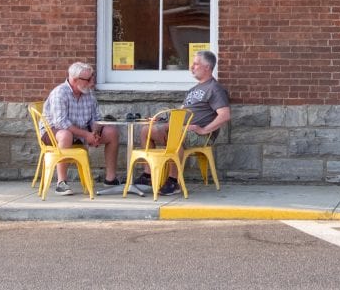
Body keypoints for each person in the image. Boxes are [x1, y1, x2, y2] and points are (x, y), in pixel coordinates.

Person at [136, 49, 231, 195]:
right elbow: (180, 113)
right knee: (146, 130)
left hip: (199, 135)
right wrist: (161, 120)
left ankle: (174, 182)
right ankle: (148, 175)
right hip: (182, 128)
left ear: (207, 67)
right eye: (192, 64)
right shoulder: (193, 90)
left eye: (196, 64)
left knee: (174, 134)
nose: (191, 67)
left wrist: (204, 130)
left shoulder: (215, 89)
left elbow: (224, 115)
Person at [41, 61, 120, 196]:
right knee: (66, 135)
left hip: (81, 131)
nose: (92, 82)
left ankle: (110, 179)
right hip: (54, 132)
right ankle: (61, 182)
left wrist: (95, 132)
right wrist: (86, 135)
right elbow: (60, 122)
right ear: (74, 80)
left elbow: (96, 117)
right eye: (88, 79)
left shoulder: (88, 93)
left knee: (111, 132)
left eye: (93, 78)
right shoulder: (60, 93)